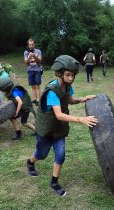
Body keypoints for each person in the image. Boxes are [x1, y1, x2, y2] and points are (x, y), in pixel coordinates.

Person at [26, 55, 98, 196]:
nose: (71, 78)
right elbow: (59, 115)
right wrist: (81, 119)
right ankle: (30, 162)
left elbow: (69, 99)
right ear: (59, 73)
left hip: (58, 130)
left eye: (73, 76)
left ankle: (54, 182)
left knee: (60, 155)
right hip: (46, 130)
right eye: (68, 75)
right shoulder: (52, 91)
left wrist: (83, 99)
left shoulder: (67, 86)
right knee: (41, 154)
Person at [24, 38, 42, 106]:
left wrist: (34, 55)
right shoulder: (26, 52)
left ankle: (38, 100)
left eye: (32, 44)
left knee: (37, 85)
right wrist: (29, 57)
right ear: (28, 45)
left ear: (34, 44)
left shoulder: (38, 51)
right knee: (33, 85)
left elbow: (40, 61)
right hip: (30, 70)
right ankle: (34, 99)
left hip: (37, 70)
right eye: (30, 45)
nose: (31, 46)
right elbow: (26, 62)